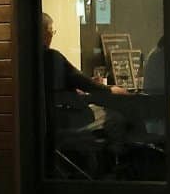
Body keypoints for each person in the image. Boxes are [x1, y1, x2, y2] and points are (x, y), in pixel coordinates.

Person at [41, 12, 127, 175]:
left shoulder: (22, 59)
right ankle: (115, 166)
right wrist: (110, 89)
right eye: (51, 31)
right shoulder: (52, 57)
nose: (51, 35)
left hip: (49, 123)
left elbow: (72, 81)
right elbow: (81, 81)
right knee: (115, 116)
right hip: (67, 121)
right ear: (45, 32)